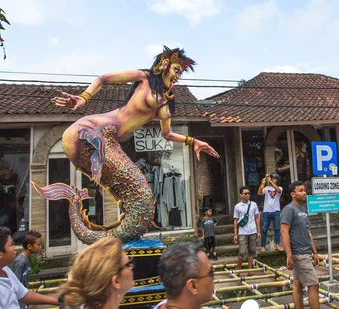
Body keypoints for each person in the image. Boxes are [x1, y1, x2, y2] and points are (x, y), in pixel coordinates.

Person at [36, 46, 220, 244]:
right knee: (140, 196)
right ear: (165, 64)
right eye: (177, 70)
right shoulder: (144, 77)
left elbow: (166, 134)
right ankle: (95, 162)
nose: (177, 76)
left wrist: (193, 141)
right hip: (92, 130)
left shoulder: (165, 105)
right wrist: (83, 98)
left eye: (180, 74)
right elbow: (104, 78)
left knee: (142, 200)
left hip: (103, 142)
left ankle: (80, 207)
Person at [280, 181, 321, 309]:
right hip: (298, 253)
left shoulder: (303, 210)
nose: (304, 193)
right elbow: (284, 231)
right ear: (293, 194)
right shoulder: (288, 210)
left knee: (298, 285)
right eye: (300, 190)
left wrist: (314, 251)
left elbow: (308, 232)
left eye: (305, 190)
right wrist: (289, 255)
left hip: (306, 252)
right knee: (314, 285)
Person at [9, 230, 42, 309]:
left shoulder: (28, 259)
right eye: (38, 245)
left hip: (23, 302)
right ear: (29, 246)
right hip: (17, 305)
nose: (40, 247)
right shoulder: (20, 262)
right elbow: (15, 285)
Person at [233, 186, 260, 272]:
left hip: (252, 230)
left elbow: (257, 218)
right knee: (242, 252)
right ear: (241, 195)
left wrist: (258, 231)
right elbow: (235, 220)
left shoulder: (254, 204)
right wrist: (235, 234)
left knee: (251, 251)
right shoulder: (237, 206)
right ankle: (238, 270)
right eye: (245, 193)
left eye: (249, 193)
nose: (248, 195)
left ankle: (250, 270)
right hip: (242, 231)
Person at [258, 173, 283, 253]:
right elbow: (259, 193)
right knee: (264, 229)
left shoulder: (279, 188)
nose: (273, 180)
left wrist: (271, 182)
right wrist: (263, 182)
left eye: (274, 179)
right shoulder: (267, 188)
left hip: (276, 211)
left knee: (277, 228)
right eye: (272, 178)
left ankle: (277, 244)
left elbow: (278, 191)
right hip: (266, 211)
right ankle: (262, 246)